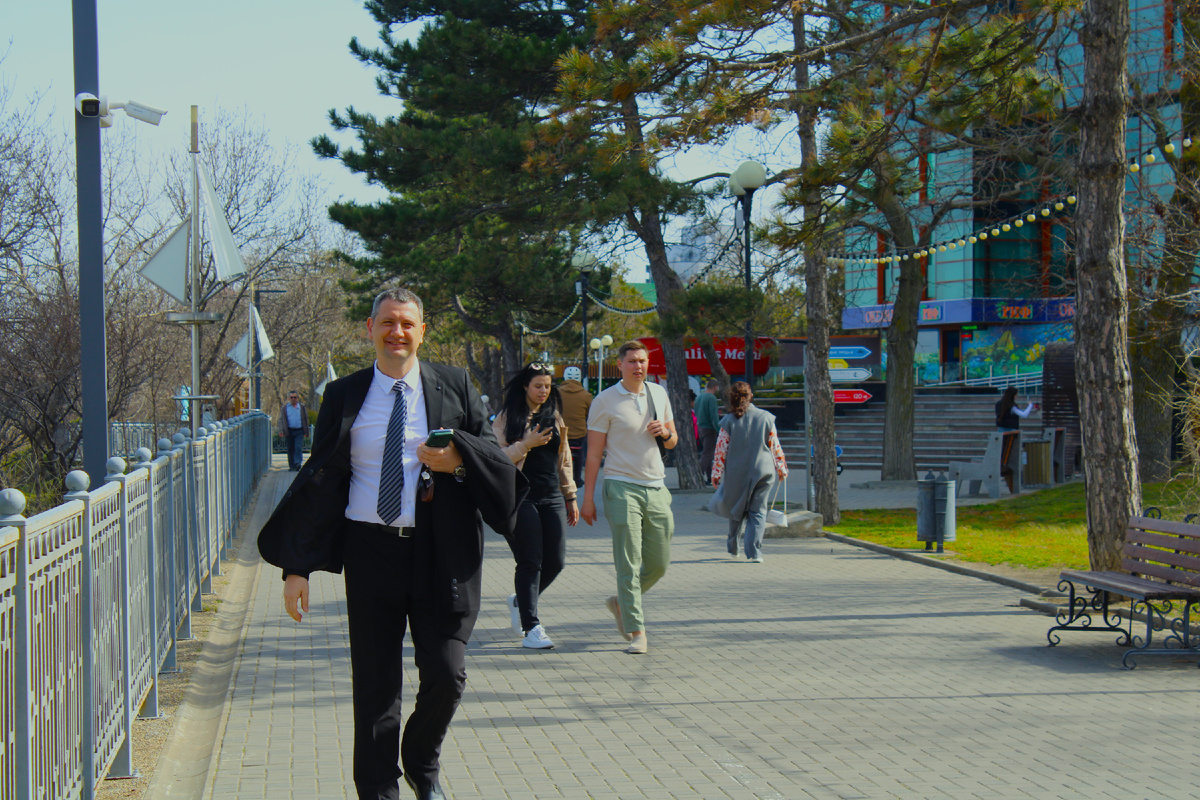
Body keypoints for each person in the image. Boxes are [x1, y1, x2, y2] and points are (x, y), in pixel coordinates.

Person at [257, 288, 525, 800]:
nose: (396, 332)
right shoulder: (344, 394)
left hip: (440, 552)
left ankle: (421, 763)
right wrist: (297, 566)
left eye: (406, 324)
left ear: (422, 331)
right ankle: (379, 790)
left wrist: (458, 462)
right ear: (370, 328)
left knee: (447, 673)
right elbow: (321, 479)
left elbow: (492, 457)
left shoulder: (454, 384)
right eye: (387, 322)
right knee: (376, 685)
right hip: (369, 551)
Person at [580, 341, 678, 655]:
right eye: (632, 361)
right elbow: (593, 455)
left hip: (657, 486)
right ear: (620, 364)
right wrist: (587, 498)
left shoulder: (658, 393)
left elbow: (673, 441)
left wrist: (665, 433)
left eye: (643, 361)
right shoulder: (604, 401)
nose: (639, 366)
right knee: (628, 561)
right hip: (621, 486)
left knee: (659, 563)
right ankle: (637, 631)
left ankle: (621, 602)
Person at [492, 363, 579, 649]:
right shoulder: (506, 418)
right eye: (538, 386)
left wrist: (570, 496)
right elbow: (495, 459)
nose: (543, 391)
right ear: (525, 387)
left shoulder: (553, 416)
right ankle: (531, 627)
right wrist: (525, 444)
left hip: (551, 495)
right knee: (530, 561)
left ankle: (520, 601)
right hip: (520, 496)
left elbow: (564, 458)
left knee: (556, 561)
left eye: (547, 386)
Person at [708, 381, 789, 563]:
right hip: (763, 471)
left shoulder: (729, 421)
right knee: (758, 511)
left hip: (737, 472)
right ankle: (754, 553)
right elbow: (775, 445)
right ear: (751, 396)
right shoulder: (766, 418)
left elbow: (721, 449)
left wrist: (716, 473)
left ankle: (733, 546)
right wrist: (781, 468)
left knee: (736, 508)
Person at [558, 366, 593, 488]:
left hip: (561, 433)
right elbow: (590, 415)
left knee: (557, 453)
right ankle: (577, 478)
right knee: (579, 451)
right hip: (579, 434)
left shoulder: (556, 393)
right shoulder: (586, 395)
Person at [694, 379, 720, 483]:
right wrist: (718, 429)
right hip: (709, 428)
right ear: (715, 387)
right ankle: (699, 474)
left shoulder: (699, 397)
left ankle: (710, 477)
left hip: (700, 427)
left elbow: (696, 412)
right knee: (708, 453)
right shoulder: (711, 398)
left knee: (707, 452)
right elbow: (714, 416)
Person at [279, 390, 308, 470]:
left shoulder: (301, 407)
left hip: (299, 430)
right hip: (289, 431)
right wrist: (281, 430)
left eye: (295, 397)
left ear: (297, 398)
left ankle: (297, 463)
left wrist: (306, 431)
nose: (293, 399)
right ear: (289, 398)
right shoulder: (285, 408)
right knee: (290, 448)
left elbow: (305, 419)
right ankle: (291, 466)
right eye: (291, 397)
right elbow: (281, 420)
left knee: (298, 447)